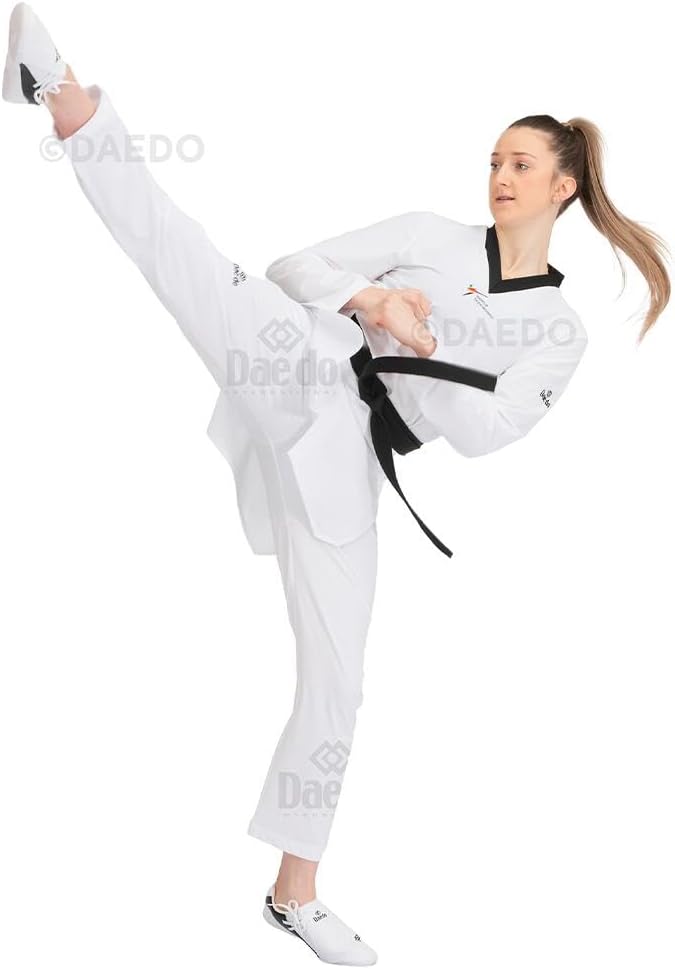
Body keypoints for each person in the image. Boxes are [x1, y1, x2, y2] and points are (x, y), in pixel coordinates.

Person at [3, 4, 671, 965]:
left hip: (352, 465)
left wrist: (423, 346)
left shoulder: (558, 334)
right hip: (302, 358)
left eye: (520, 164)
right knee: (181, 253)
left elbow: (486, 434)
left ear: (562, 187)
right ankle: (60, 91)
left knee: (338, 683)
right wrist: (371, 298)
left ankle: (293, 892)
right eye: (493, 159)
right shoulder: (430, 232)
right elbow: (293, 265)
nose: (498, 175)